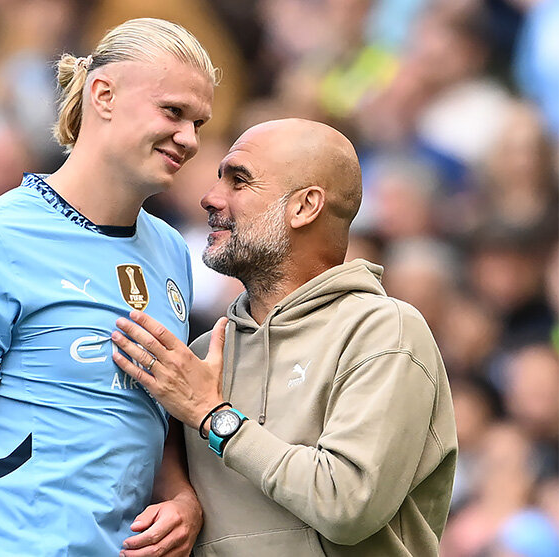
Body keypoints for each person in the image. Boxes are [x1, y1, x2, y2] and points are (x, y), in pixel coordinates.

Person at [0, 18, 216, 557]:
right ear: (103, 95)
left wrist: (182, 497)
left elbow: (151, 411)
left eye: (198, 122)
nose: (189, 138)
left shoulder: (172, 251)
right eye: (173, 112)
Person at [111, 118, 458, 556]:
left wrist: (213, 416)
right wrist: (179, 501)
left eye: (239, 181)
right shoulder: (200, 358)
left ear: (304, 207)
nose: (210, 197)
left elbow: (347, 504)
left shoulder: (385, 329)